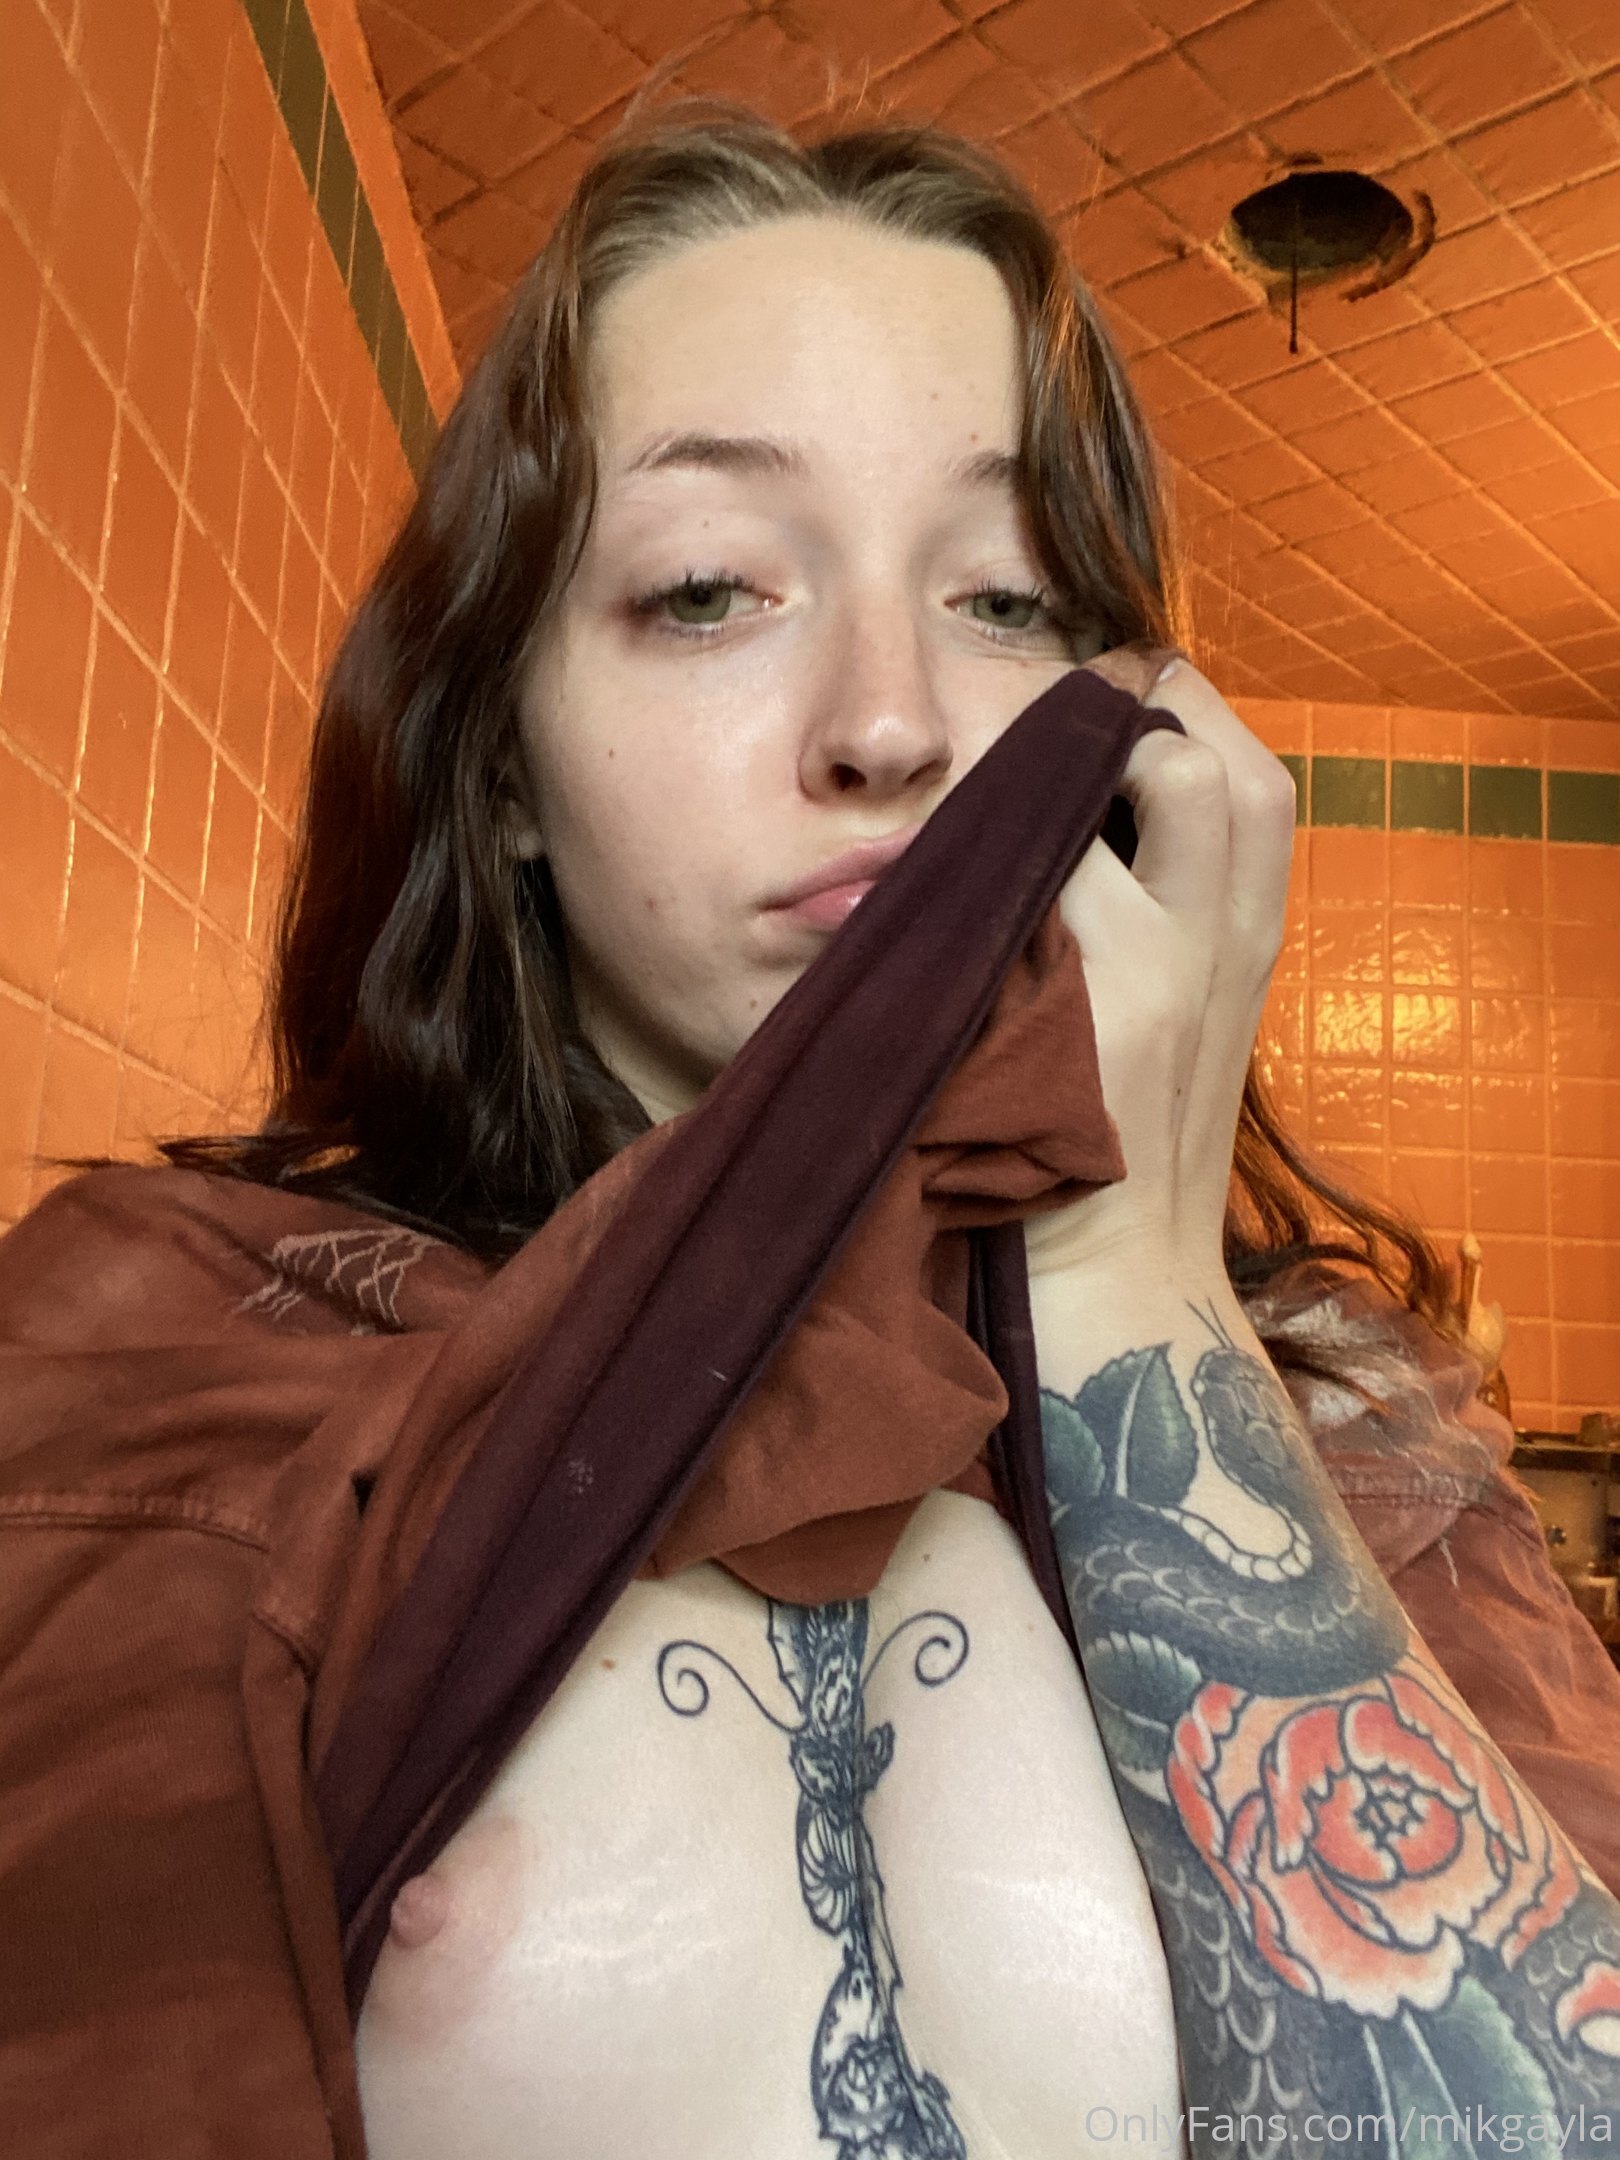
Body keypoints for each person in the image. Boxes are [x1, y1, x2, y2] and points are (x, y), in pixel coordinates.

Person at [3, 102, 1619, 2159]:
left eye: (1007, 600)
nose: (890, 723)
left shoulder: (1345, 1425)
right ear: (499, 766)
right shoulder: (171, 1356)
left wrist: (1129, 1276)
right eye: (706, 591)